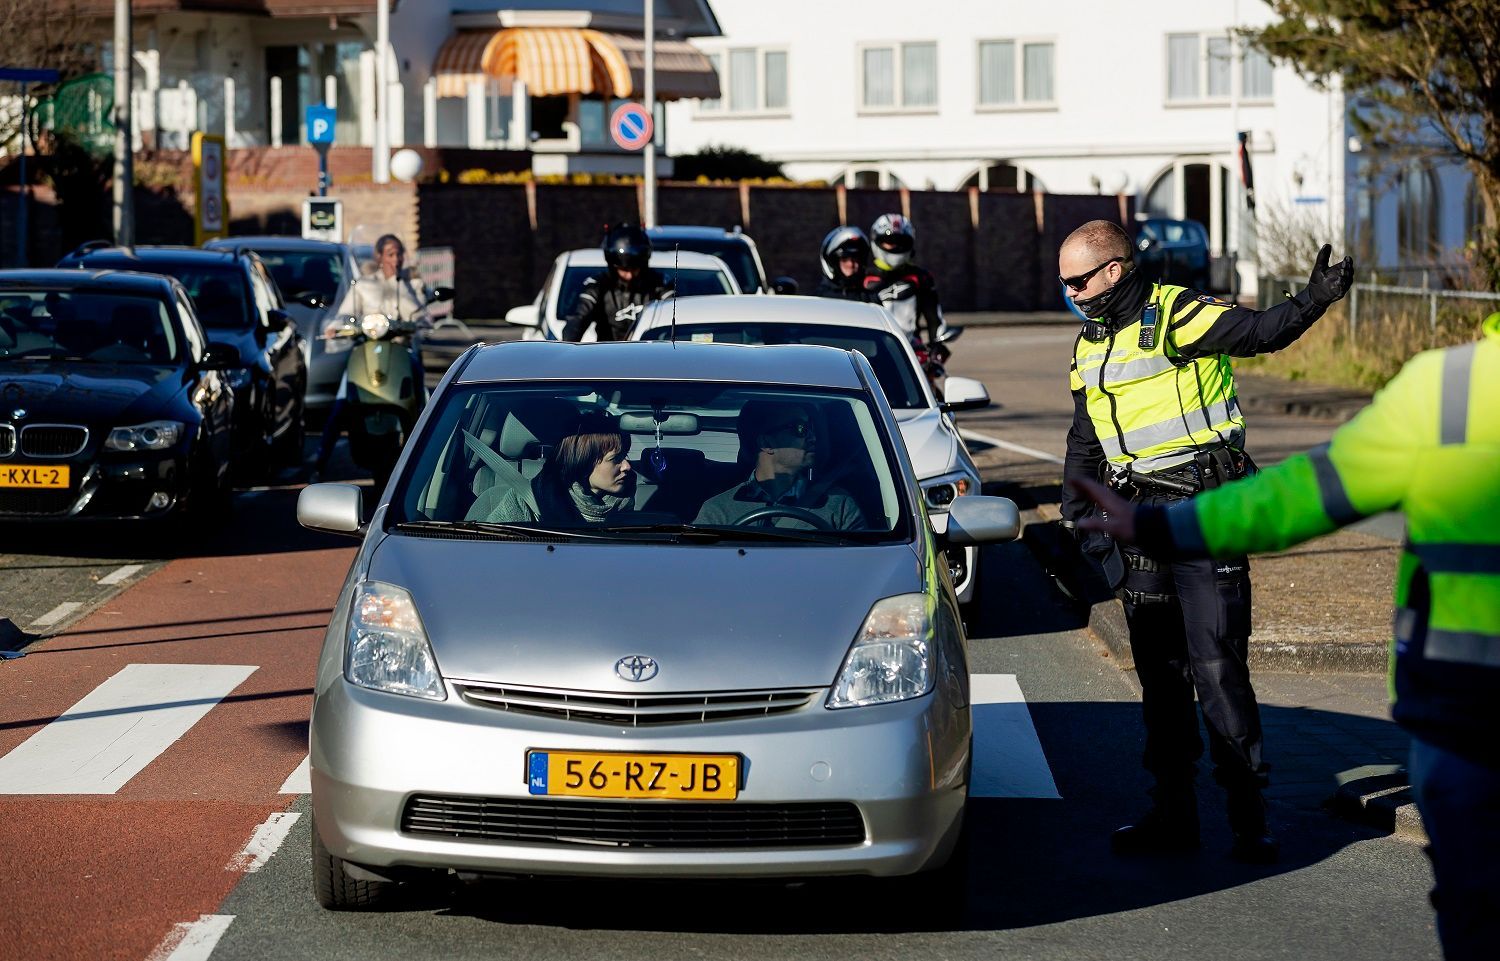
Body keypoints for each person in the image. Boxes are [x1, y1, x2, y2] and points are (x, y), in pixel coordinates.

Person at [1068, 311, 1500, 961]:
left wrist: (1160, 526)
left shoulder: (1453, 387)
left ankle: (1247, 812)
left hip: (1469, 728)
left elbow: (1299, 495)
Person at [1058, 218, 1353, 864]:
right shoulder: (1088, 343)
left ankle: (1250, 821)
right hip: (1139, 519)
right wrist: (1075, 517)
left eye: (1078, 279)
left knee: (1217, 666)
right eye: (1064, 282)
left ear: (1114, 271)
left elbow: (1258, 334)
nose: (1070, 292)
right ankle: (1173, 814)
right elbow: (1085, 438)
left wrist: (1314, 300)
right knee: (1161, 678)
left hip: (1203, 509)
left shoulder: (1175, 314)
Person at [695, 400, 865, 531]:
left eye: (811, 428)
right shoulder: (717, 511)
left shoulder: (839, 505)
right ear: (766, 443)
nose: (813, 437)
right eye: (800, 428)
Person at [467, 411, 635, 525]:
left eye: (625, 456)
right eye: (616, 459)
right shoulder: (529, 500)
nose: (627, 466)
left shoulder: (626, 506)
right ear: (582, 463)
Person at [562, 223, 674, 342]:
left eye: (634, 269)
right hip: (609, 355)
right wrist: (568, 349)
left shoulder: (659, 283)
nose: (629, 275)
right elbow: (578, 320)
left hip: (650, 355)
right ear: (613, 267)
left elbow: (674, 314)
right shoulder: (599, 286)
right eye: (624, 270)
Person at [867, 213, 948, 361]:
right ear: (877, 241)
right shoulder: (863, 278)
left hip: (911, 352)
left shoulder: (921, 278)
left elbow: (934, 318)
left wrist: (937, 347)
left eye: (900, 241)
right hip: (869, 351)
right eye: (890, 241)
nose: (895, 246)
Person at [815, 226, 879, 302]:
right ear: (833, 262)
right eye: (845, 259)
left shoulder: (871, 299)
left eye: (856, 259)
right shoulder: (818, 300)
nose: (851, 264)